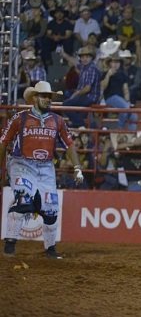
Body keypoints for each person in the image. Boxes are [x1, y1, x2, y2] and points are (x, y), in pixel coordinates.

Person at [1, 81, 84, 259]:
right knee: (24, 200)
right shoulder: (20, 118)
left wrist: (77, 168)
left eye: (49, 97)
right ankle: (10, 243)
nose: (48, 100)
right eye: (44, 96)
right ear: (35, 98)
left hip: (46, 166)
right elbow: (4, 142)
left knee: (51, 211)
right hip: (22, 164)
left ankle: (50, 249)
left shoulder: (57, 120)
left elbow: (69, 144)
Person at [62, 45, 102, 127]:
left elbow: (87, 88)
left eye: (87, 56)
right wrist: (63, 54)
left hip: (90, 96)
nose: (85, 59)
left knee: (65, 105)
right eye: (83, 57)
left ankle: (82, 124)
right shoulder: (84, 67)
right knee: (68, 96)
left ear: (91, 58)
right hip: (84, 96)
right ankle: (80, 124)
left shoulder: (91, 68)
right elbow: (75, 62)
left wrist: (76, 94)